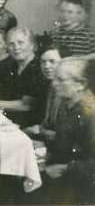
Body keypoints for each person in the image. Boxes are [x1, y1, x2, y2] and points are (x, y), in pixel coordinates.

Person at [35, 58, 95, 203]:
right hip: (67, 179)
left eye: (60, 80)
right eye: (54, 78)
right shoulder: (67, 105)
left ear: (81, 84)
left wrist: (65, 168)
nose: (54, 84)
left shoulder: (90, 113)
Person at [0, 27, 47, 127]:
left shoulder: (37, 67)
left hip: (29, 125)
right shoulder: (13, 65)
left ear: (32, 45)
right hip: (9, 119)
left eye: (21, 42)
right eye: (11, 44)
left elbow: (26, 105)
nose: (16, 47)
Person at [23, 44, 70, 141]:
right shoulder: (51, 87)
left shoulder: (70, 92)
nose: (46, 66)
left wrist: (40, 131)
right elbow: (47, 122)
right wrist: (35, 129)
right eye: (43, 62)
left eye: (52, 62)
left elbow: (68, 135)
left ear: (65, 63)